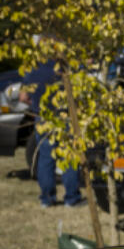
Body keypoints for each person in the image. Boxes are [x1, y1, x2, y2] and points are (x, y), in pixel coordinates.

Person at [21, 61, 83, 208]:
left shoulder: (32, 67)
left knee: (46, 158)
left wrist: (36, 104)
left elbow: (23, 97)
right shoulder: (65, 65)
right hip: (65, 116)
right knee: (69, 155)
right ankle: (72, 197)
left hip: (43, 117)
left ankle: (47, 198)